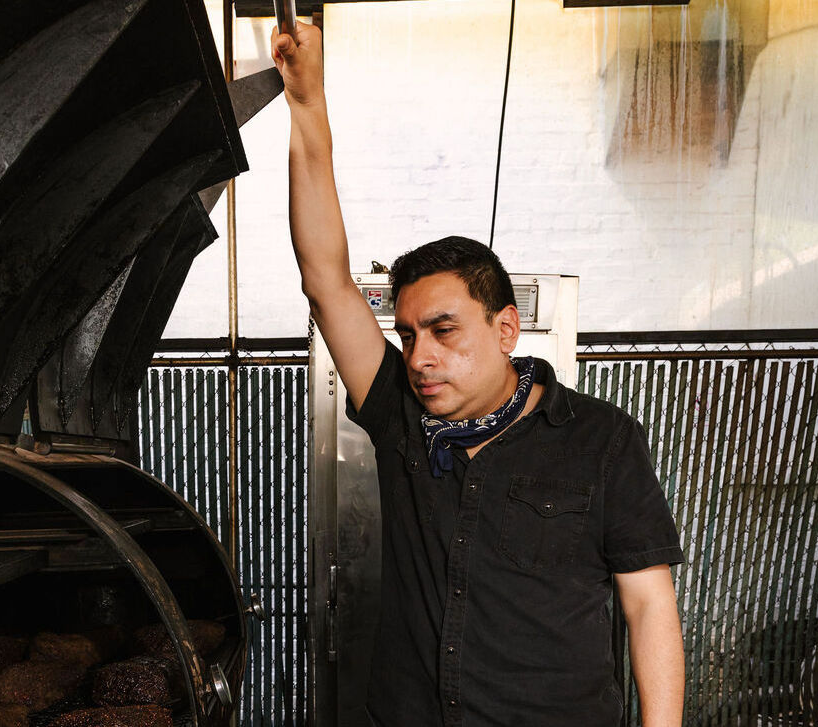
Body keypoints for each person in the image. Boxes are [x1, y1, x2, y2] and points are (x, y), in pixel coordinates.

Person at [271, 20, 686, 727]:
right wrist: (308, 105)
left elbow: (648, 603)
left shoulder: (603, 440)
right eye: (407, 335)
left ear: (506, 329)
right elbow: (326, 279)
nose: (419, 356)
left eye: (443, 331)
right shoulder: (403, 414)